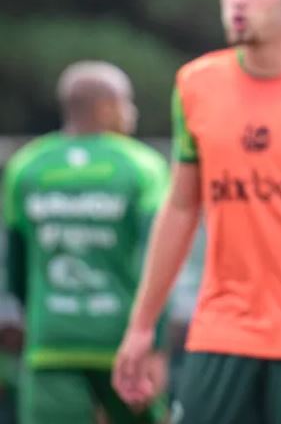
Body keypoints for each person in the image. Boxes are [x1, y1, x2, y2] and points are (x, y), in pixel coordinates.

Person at [112, 0, 281, 424]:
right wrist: (142, 327)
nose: (237, 1)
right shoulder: (196, 84)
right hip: (220, 332)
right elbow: (182, 207)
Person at [2, 61, 168, 424]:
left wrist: (38, 310)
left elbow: (14, 265)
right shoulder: (142, 165)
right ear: (107, 106)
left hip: (52, 339)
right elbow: (159, 259)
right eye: (128, 102)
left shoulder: (26, 166)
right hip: (124, 343)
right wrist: (155, 341)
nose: (132, 112)